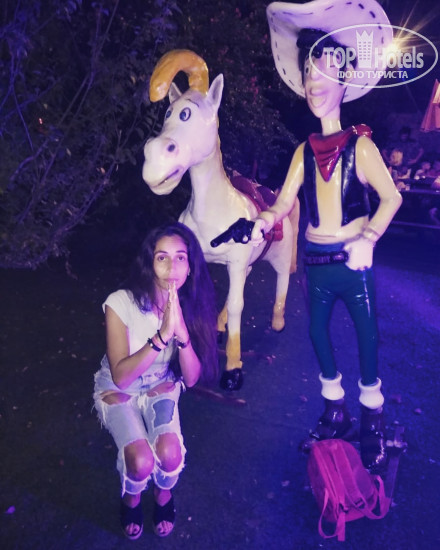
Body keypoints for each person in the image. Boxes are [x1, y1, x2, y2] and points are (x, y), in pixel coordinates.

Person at [251, 0, 402, 472]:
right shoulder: (303, 151)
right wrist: (265, 217)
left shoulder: (362, 146)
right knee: (317, 333)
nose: (314, 83)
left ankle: (372, 416)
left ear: (346, 78)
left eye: (324, 71)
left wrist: (369, 237)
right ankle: (335, 409)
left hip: (352, 264)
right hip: (316, 264)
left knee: (367, 336)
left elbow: (392, 198)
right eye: (307, 74)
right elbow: (284, 200)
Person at [93, 222, 218, 540]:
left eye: (180, 258)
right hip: (118, 388)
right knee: (140, 460)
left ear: (190, 267)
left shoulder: (191, 304)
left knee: (170, 454)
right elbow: (122, 377)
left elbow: (191, 378)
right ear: (149, 263)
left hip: (160, 385)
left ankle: (163, 494)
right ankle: (131, 499)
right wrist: (162, 336)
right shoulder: (120, 303)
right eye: (162, 257)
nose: (171, 267)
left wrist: (182, 334)